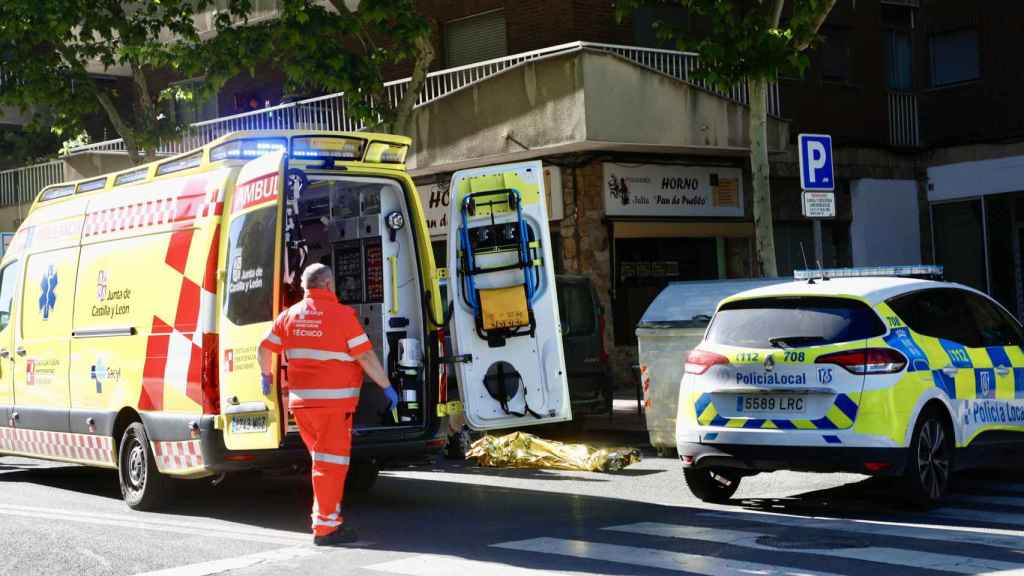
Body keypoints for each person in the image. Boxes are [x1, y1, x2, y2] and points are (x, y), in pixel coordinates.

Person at [258, 263, 398, 546]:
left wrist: (266, 375)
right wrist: (386, 386)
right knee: (331, 467)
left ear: (305, 287)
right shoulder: (342, 316)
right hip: (333, 407)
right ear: (330, 285)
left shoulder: (288, 316)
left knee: (321, 464)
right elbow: (366, 357)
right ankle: (325, 529)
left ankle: (322, 518)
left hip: (302, 407)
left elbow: (264, 348)